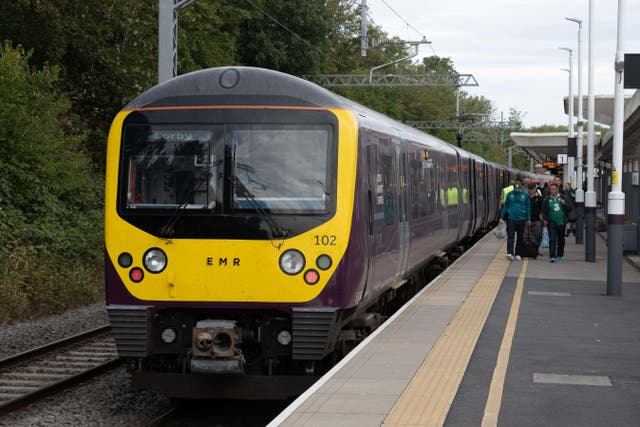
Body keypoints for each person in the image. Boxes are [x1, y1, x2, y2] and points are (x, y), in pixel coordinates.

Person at [500, 180, 531, 261]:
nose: (517, 191)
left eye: (519, 190)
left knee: (520, 236)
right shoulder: (510, 194)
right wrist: (501, 217)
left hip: (522, 218)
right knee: (510, 235)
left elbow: (528, 206)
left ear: (521, 188)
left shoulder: (525, 194)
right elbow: (506, 206)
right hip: (511, 218)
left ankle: (518, 253)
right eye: (516, 190)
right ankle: (510, 252)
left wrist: (528, 218)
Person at [542, 183, 573, 262]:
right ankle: (552, 256)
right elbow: (544, 211)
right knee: (552, 239)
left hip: (562, 222)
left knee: (561, 239)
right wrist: (545, 219)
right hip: (551, 222)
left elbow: (570, 208)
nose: (552, 191)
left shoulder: (563, 198)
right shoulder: (547, 199)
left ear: (557, 190)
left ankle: (560, 255)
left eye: (554, 189)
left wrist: (564, 203)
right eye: (551, 189)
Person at [527, 183, 543, 250]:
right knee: (527, 235)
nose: (530, 191)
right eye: (529, 189)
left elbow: (542, 208)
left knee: (537, 235)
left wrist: (541, 214)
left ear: (535, 189)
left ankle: (536, 248)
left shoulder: (539, 198)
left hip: (537, 219)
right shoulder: (526, 197)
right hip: (527, 219)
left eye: (531, 189)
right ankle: (529, 249)